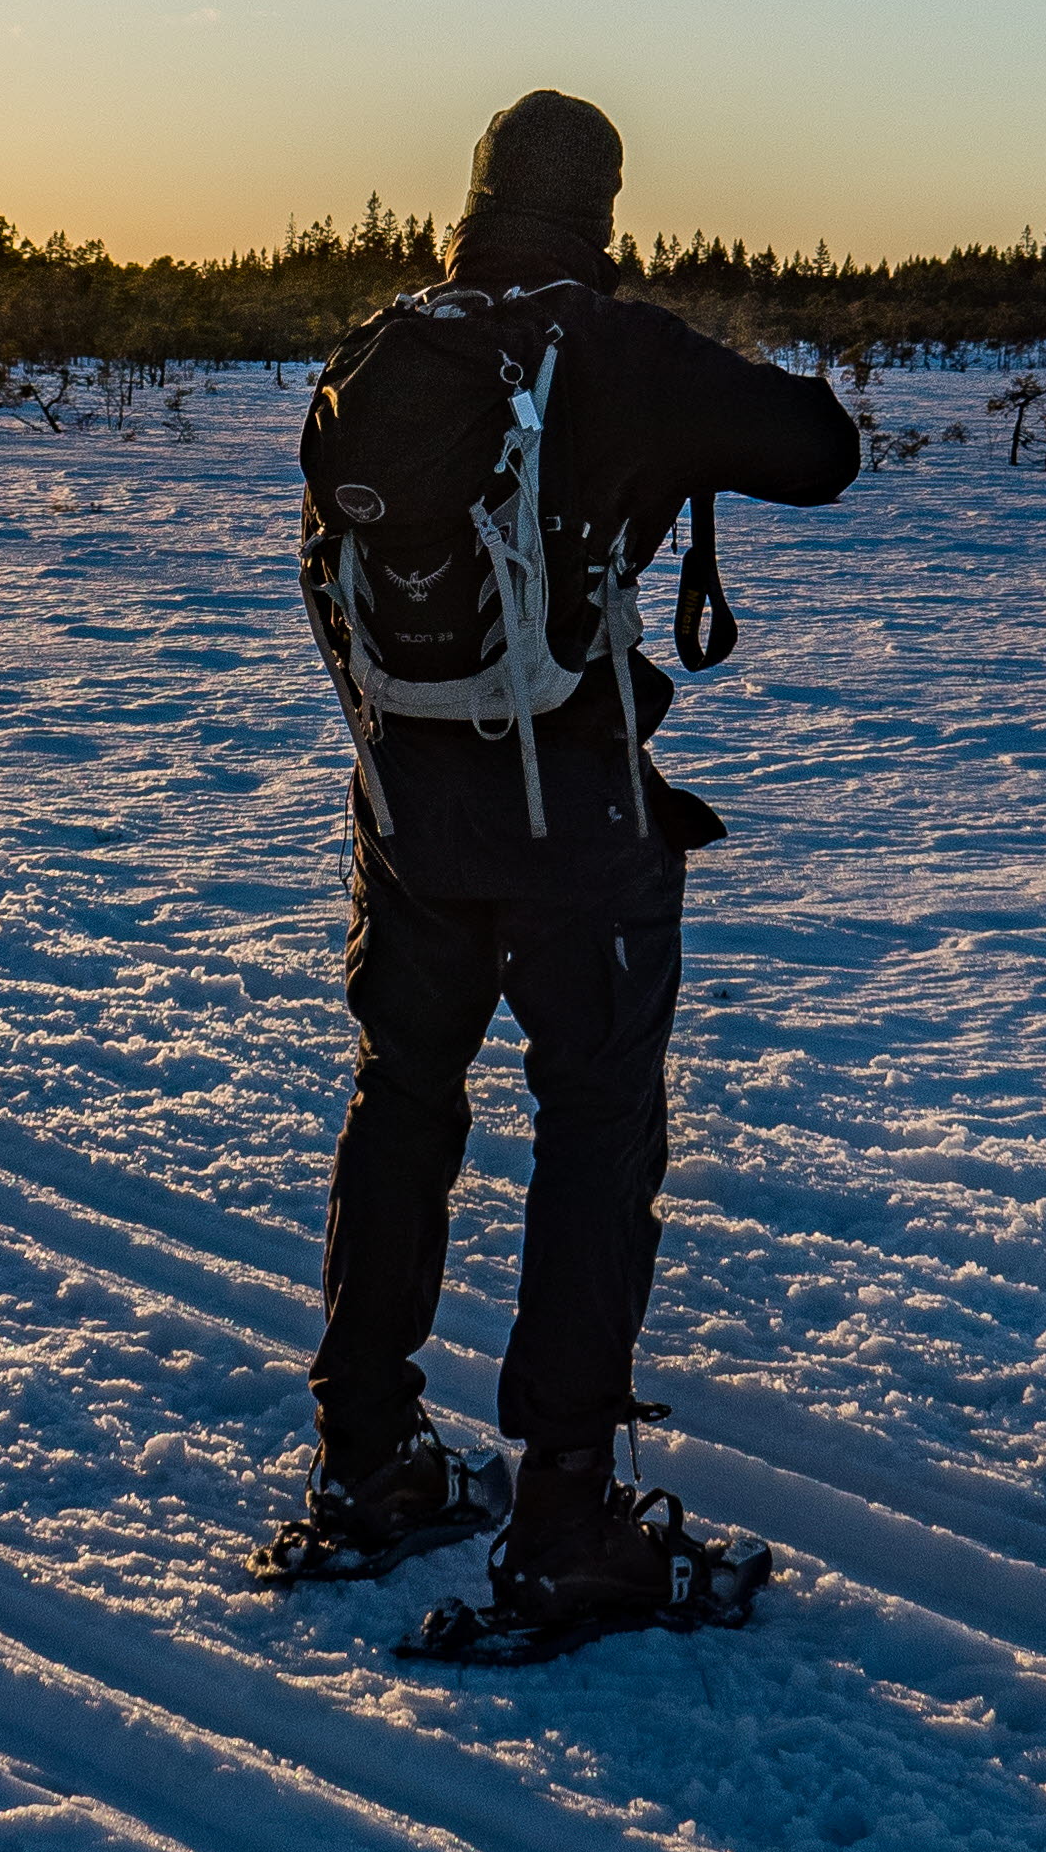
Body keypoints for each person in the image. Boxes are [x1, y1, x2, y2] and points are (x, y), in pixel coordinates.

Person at [285, 90, 858, 1641]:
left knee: (401, 1102)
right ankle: (562, 1521)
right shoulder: (610, 346)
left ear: (464, 204)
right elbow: (822, 454)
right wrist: (706, 365)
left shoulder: (381, 347)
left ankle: (369, 1460)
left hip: (404, 806)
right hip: (570, 818)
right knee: (594, 1132)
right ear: (603, 212)